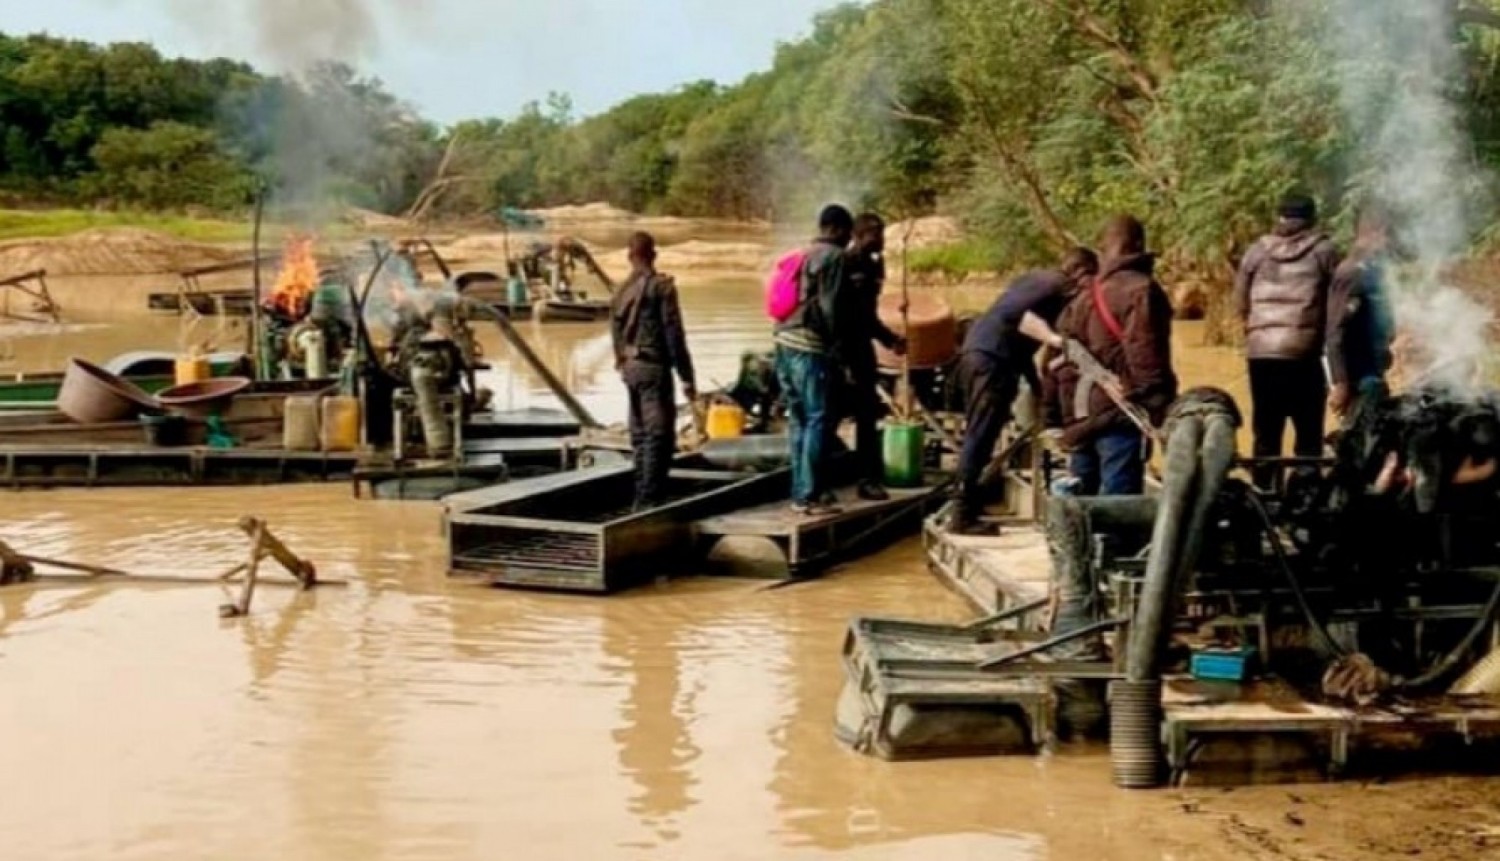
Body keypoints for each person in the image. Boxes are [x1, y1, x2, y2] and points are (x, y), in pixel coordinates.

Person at [951, 248, 1099, 534]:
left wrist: (1036, 385)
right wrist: (1058, 342)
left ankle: (970, 504)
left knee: (980, 433)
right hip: (993, 360)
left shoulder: (1034, 280)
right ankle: (961, 515)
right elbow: (1021, 320)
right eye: (1091, 278)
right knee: (980, 437)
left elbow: (1018, 335)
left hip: (977, 353)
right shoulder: (1062, 285)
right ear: (1081, 271)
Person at [1046, 215, 1177, 496]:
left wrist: (1053, 417)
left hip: (1079, 414)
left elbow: (1055, 357)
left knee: (1080, 500)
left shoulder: (1084, 296)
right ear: (1140, 245)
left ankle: (1077, 539)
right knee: (1118, 505)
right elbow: (1146, 356)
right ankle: (1115, 541)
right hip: (1119, 413)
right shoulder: (1141, 290)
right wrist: (1157, 404)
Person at [1234, 193, 1342, 489]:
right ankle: (1305, 499)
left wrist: (1255, 334)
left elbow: (1239, 304)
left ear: (1279, 217)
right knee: (1308, 435)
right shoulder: (1326, 252)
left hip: (1262, 355)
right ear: (1312, 218)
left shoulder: (1256, 252)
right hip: (1304, 355)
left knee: (1266, 432)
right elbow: (1338, 304)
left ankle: (1264, 497)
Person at [610, 232, 696, 510]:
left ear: (629, 256)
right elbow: (674, 334)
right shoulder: (662, 287)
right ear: (654, 255)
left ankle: (641, 494)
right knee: (659, 434)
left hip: (631, 368)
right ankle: (649, 499)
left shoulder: (621, 290)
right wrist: (687, 376)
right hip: (653, 367)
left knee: (639, 433)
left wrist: (622, 363)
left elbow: (615, 332)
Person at [776, 205, 853, 516]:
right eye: (846, 234)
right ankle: (812, 495)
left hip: (782, 340)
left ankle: (798, 493)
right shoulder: (834, 257)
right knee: (819, 418)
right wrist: (838, 350)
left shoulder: (802, 252)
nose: (848, 241)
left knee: (798, 419)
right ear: (835, 229)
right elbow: (831, 308)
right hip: (809, 346)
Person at [836, 212, 907, 502]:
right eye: (875, 234)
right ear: (859, 235)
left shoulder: (873, 267)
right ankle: (825, 476)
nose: (880, 240)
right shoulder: (844, 263)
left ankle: (867, 478)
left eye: (881, 234)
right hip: (842, 349)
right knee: (831, 413)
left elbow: (868, 315)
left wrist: (889, 339)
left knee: (868, 414)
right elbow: (841, 314)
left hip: (862, 349)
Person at [1327, 208, 1395, 425]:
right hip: (1358, 378)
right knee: (1358, 438)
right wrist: (1341, 383)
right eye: (1386, 235)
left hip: (1373, 371)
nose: (1388, 242)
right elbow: (1335, 331)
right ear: (1372, 233)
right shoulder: (1351, 273)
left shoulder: (1374, 270)